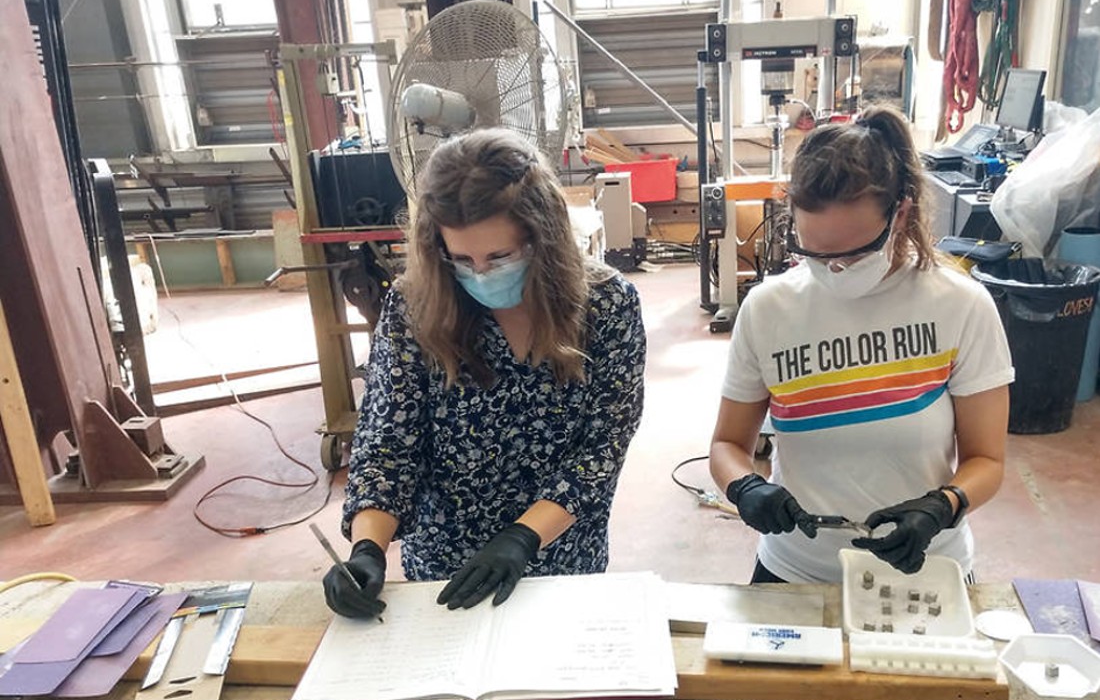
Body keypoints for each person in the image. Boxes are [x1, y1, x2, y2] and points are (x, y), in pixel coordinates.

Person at [323, 128, 646, 619]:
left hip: (560, 556)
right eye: (461, 260)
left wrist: (522, 537)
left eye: (499, 257)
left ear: (543, 240)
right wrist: (368, 547)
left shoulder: (607, 305)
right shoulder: (414, 308)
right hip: (445, 568)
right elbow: (387, 442)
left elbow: (603, 448)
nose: (480, 273)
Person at [709, 105, 1014, 584]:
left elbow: (987, 460)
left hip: (923, 570)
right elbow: (728, 443)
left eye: (854, 252)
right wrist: (745, 486)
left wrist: (943, 506)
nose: (834, 268)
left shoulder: (960, 306)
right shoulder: (768, 310)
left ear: (901, 213)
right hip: (797, 572)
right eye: (814, 251)